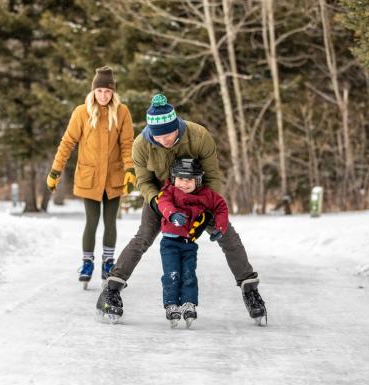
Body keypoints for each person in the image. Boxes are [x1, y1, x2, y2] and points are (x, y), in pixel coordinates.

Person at [96, 93, 267, 324]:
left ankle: (250, 289)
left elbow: (213, 176)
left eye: (169, 134)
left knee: (227, 235)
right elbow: (144, 181)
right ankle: (112, 288)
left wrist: (208, 209)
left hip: (198, 198)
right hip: (162, 199)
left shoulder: (198, 136)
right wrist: (157, 203)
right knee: (143, 238)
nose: (165, 140)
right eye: (159, 136)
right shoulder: (141, 145)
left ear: (177, 126)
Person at [47, 66, 136, 289]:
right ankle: (87, 262)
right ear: (93, 92)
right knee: (92, 221)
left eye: (107, 92)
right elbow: (67, 143)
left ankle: (108, 263)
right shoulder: (81, 112)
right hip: (90, 177)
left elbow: (127, 145)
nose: (103, 96)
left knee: (110, 222)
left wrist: (130, 170)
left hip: (114, 177)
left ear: (113, 92)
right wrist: (55, 171)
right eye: (99, 92)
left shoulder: (122, 112)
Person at [157, 157, 229, 328]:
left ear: (198, 180)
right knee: (172, 275)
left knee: (189, 275)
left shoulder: (206, 195)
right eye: (181, 179)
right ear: (174, 178)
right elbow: (163, 202)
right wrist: (172, 214)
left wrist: (220, 227)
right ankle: (171, 305)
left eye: (189, 180)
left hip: (189, 244)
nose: (184, 183)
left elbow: (221, 206)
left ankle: (189, 304)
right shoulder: (170, 191)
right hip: (170, 243)